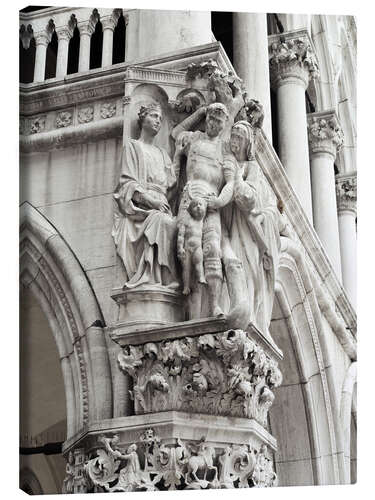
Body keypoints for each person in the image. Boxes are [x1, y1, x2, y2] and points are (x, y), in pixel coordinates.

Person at [227, 120, 288, 338]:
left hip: (248, 228)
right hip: (234, 225)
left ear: (246, 143)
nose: (234, 140)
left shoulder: (250, 167)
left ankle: (250, 318)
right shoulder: (228, 163)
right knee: (238, 265)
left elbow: (248, 199)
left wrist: (235, 178)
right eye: (232, 135)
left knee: (251, 270)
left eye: (239, 137)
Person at [112, 103, 179, 289]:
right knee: (162, 222)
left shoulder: (162, 154)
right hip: (143, 208)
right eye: (154, 116)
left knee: (175, 226)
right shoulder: (133, 147)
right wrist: (151, 201)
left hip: (162, 205)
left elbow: (172, 186)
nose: (158, 121)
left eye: (160, 118)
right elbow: (127, 184)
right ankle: (156, 276)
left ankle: (164, 276)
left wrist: (180, 154)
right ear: (143, 119)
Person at [177, 197, 207, 295]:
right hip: (187, 247)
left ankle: (201, 277)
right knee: (186, 268)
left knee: (199, 262)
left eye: (200, 204)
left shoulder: (202, 222)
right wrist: (180, 248)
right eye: (195, 205)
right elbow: (181, 235)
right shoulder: (187, 221)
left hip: (198, 247)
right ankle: (186, 287)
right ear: (190, 210)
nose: (198, 207)